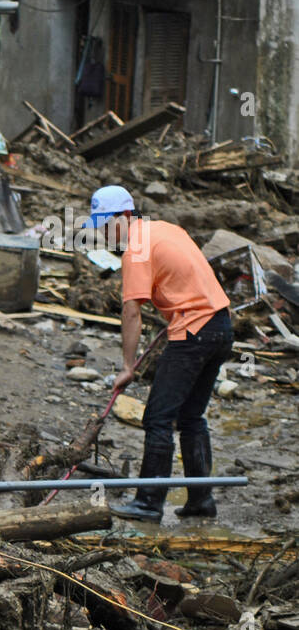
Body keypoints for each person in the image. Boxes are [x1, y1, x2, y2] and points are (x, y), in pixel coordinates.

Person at [95, 186, 234, 522]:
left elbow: (131, 312)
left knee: (158, 417)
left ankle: (148, 502)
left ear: (125, 216)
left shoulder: (136, 249)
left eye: (104, 223)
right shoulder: (166, 229)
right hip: (221, 327)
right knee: (190, 418)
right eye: (98, 225)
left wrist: (128, 366)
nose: (102, 232)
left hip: (194, 331)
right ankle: (201, 500)